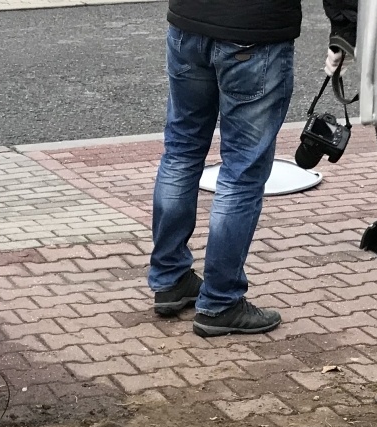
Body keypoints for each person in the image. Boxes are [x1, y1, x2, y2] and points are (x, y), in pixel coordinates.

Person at [148, 0, 358, 337]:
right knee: (241, 172)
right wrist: (345, 31)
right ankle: (219, 302)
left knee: (181, 151)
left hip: (189, 22)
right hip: (255, 31)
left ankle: (170, 278)